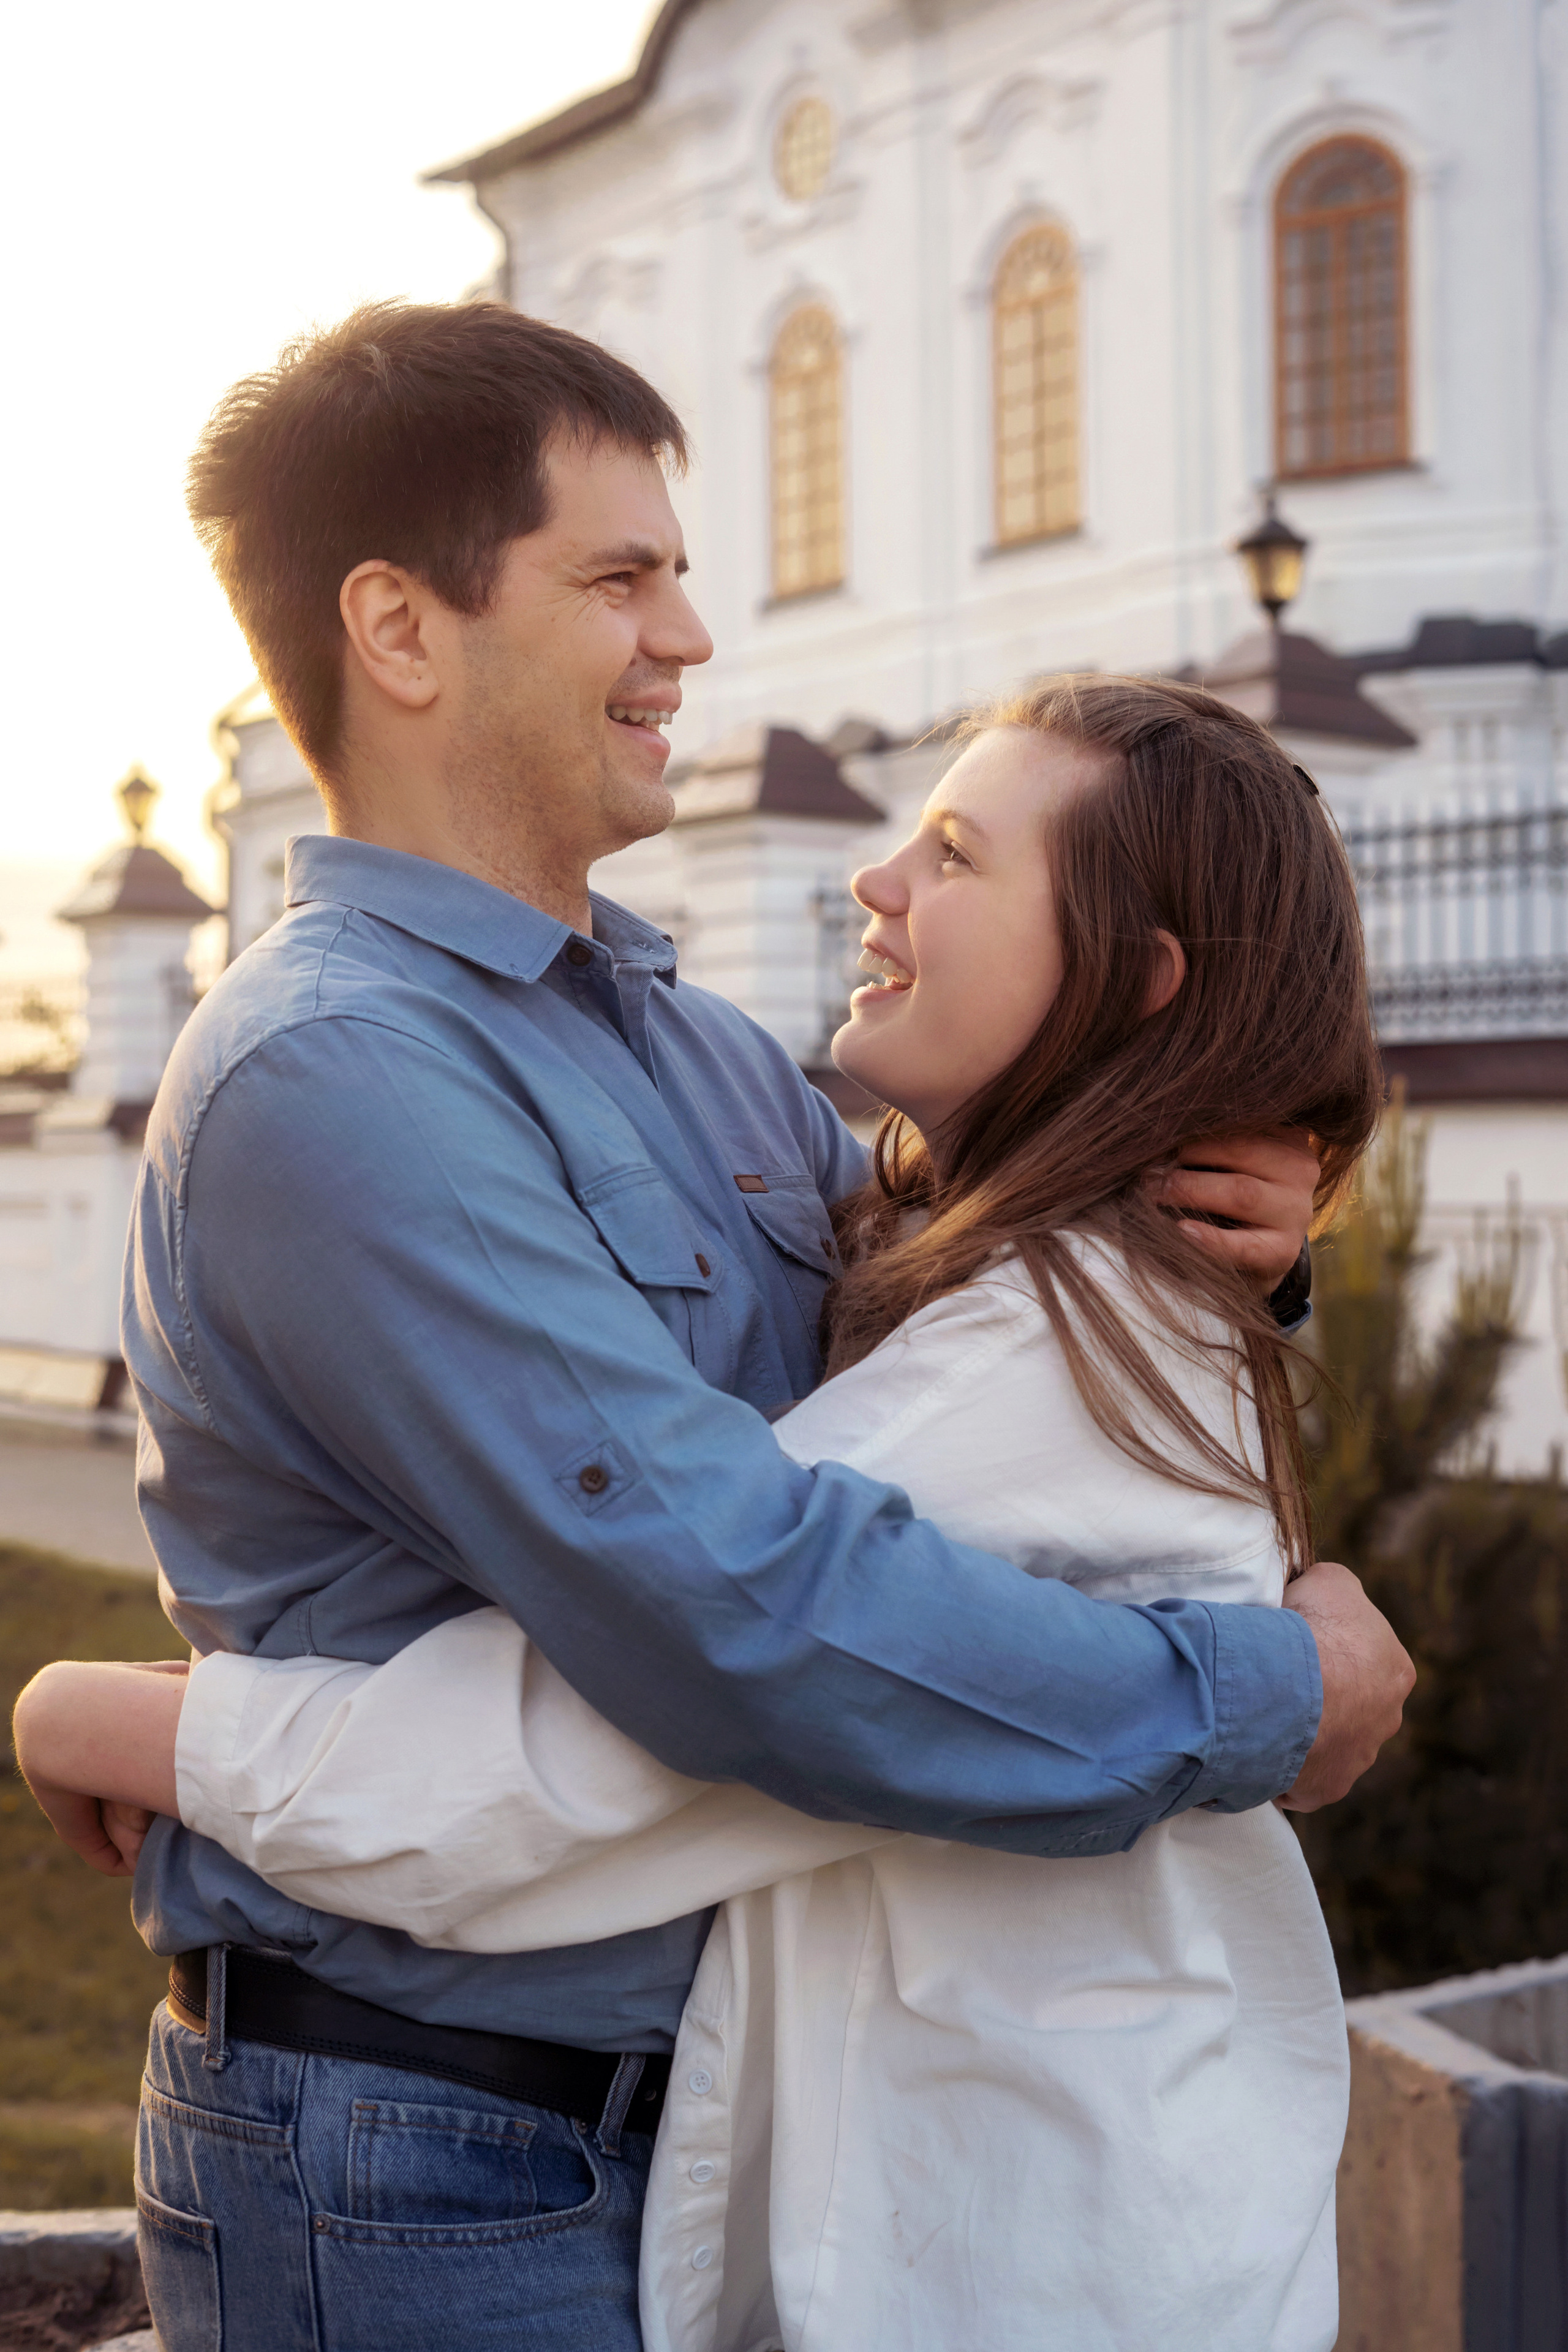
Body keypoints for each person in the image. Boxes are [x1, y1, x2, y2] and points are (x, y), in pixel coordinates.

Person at [14, 304, 1412, 2352]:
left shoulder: (696, 1058)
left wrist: (1215, 1224)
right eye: (619, 577)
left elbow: (971, 1365)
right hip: (421, 2137)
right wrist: (1252, 1698)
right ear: (402, 632)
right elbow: (730, 1610)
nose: (687, 633)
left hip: (680, 2126)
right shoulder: (337, 1075)